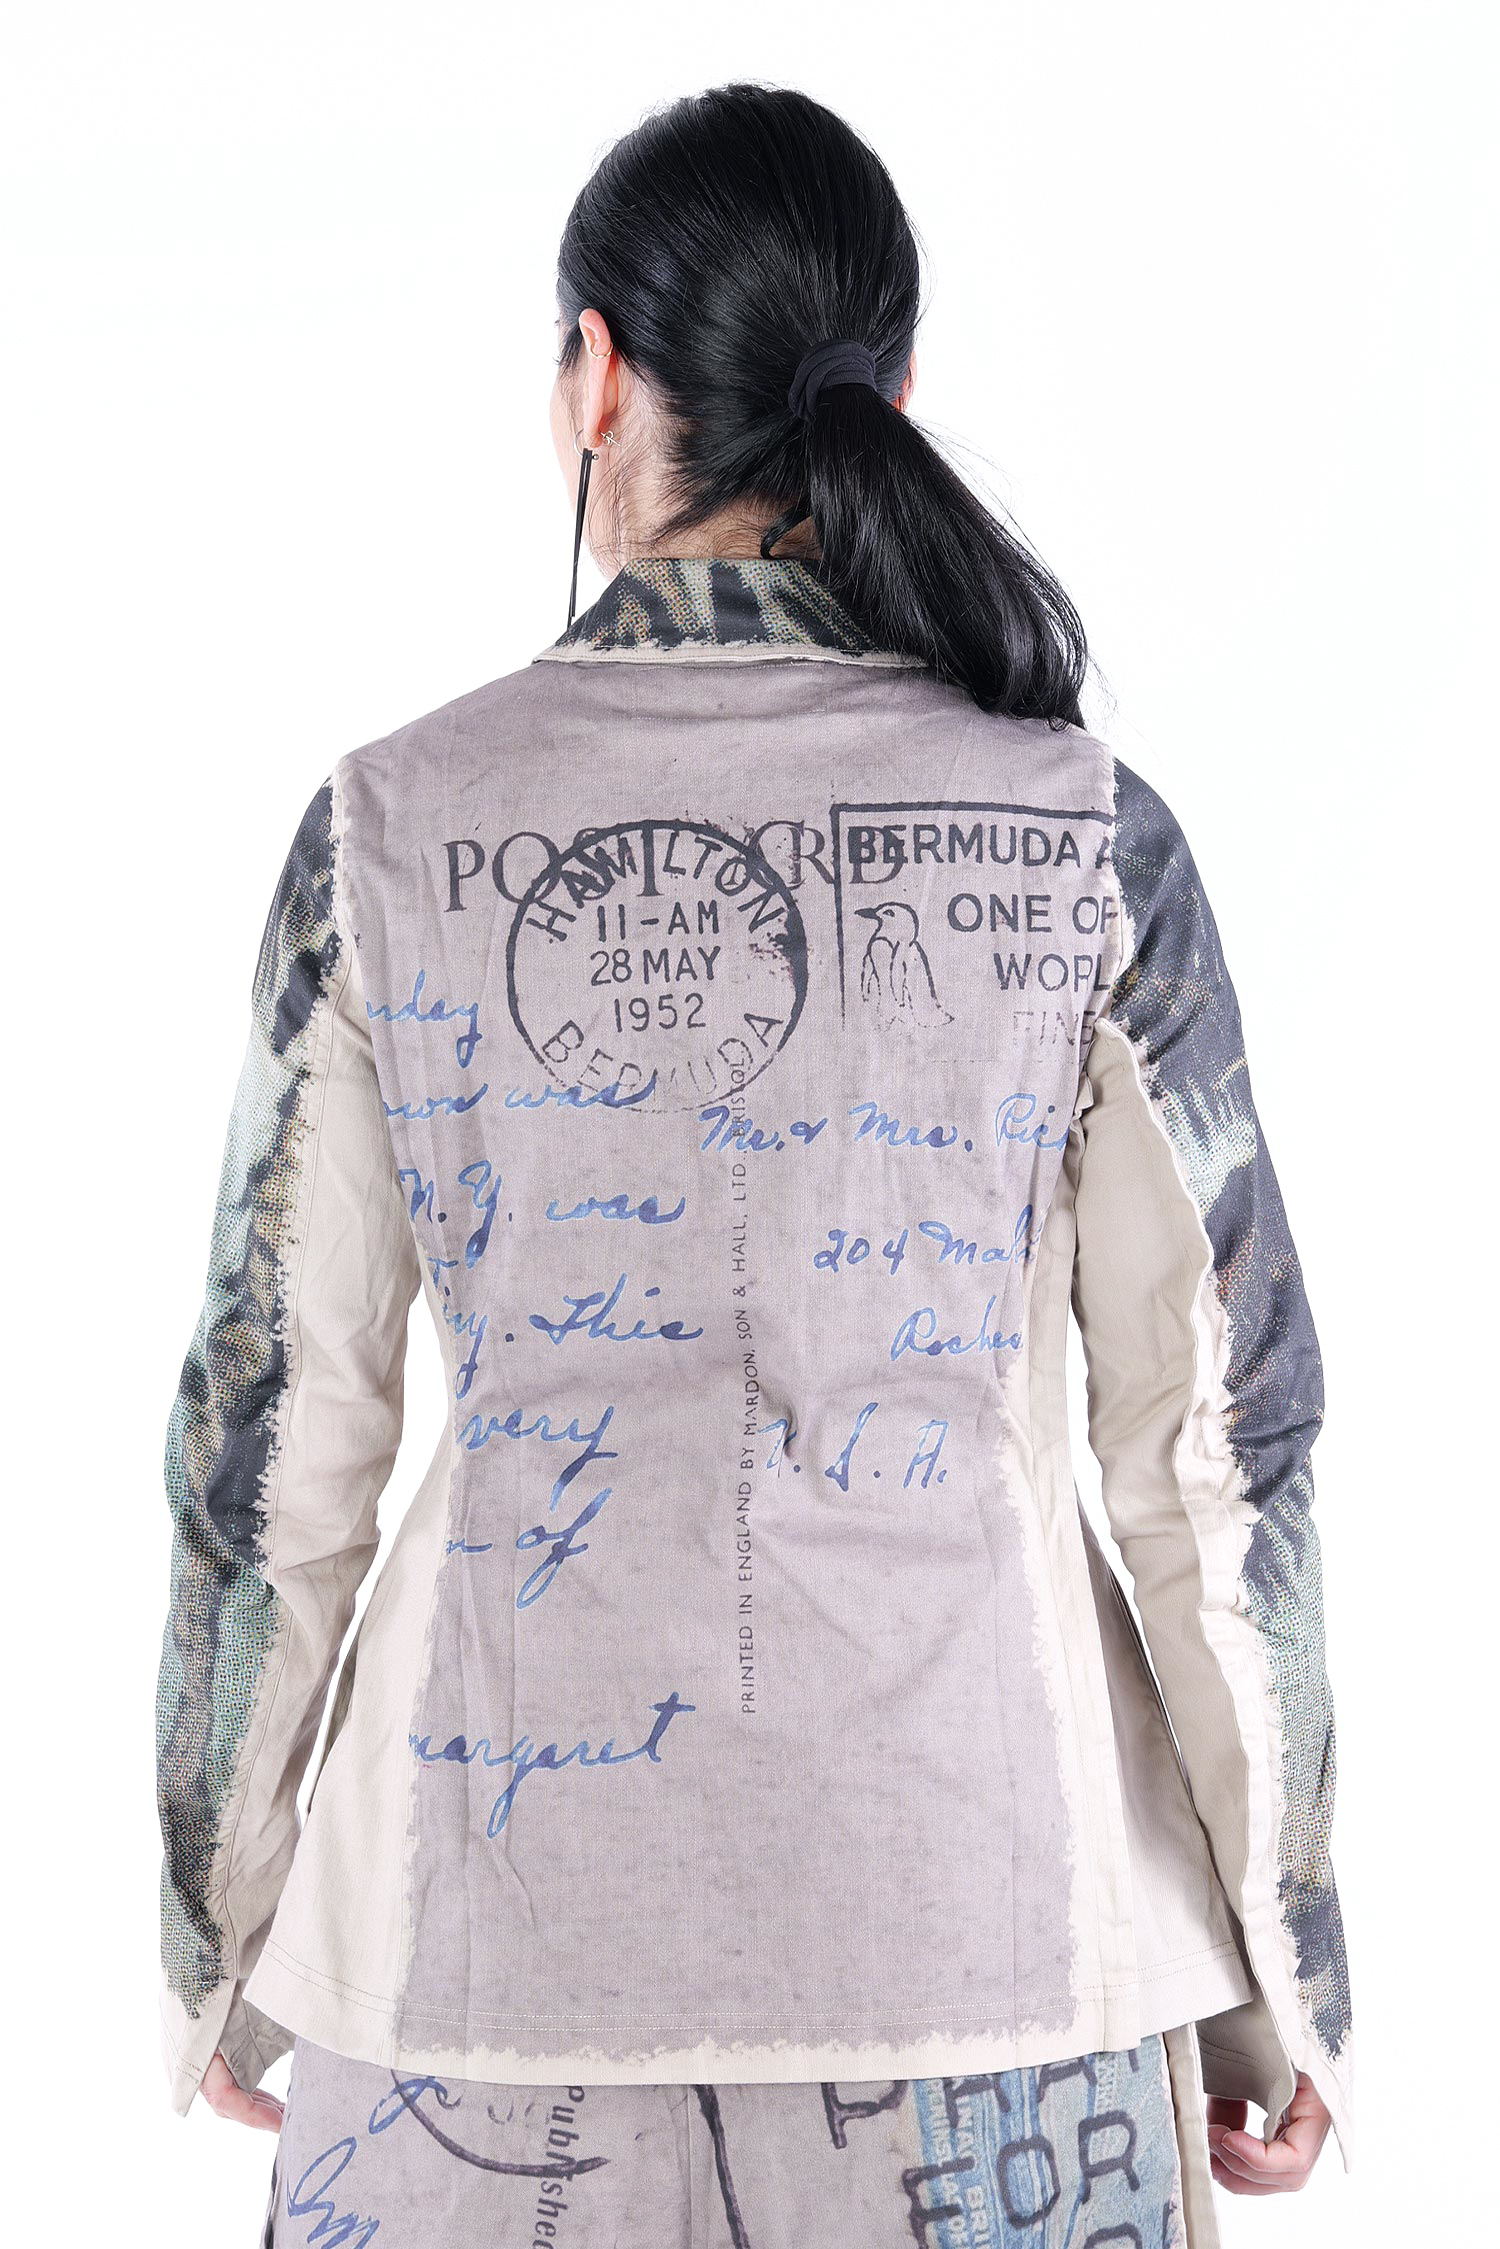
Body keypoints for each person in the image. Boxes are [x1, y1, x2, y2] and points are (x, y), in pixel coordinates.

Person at [155, 82, 1351, 2249]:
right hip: (1001, 1996)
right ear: (894, 392)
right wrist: (1286, 1982)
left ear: (596, 375)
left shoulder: (386, 833)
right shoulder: (1086, 832)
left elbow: (273, 1450)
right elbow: (1215, 1457)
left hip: (475, 1990)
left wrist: (218, 1942)